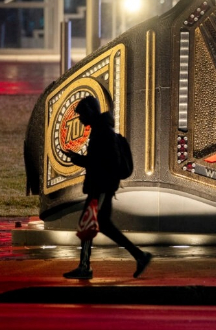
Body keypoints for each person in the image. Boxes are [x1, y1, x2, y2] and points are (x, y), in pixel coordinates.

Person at [62, 95, 152, 279]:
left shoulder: (103, 133)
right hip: (101, 187)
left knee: (88, 224)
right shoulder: (100, 130)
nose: (80, 119)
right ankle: (139, 255)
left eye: (81, 115)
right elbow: (100, 161)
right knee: (101, 225)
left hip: (101, 188)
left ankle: (85, 267)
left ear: (89, 112)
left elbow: (107, 163)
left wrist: (81, 161)